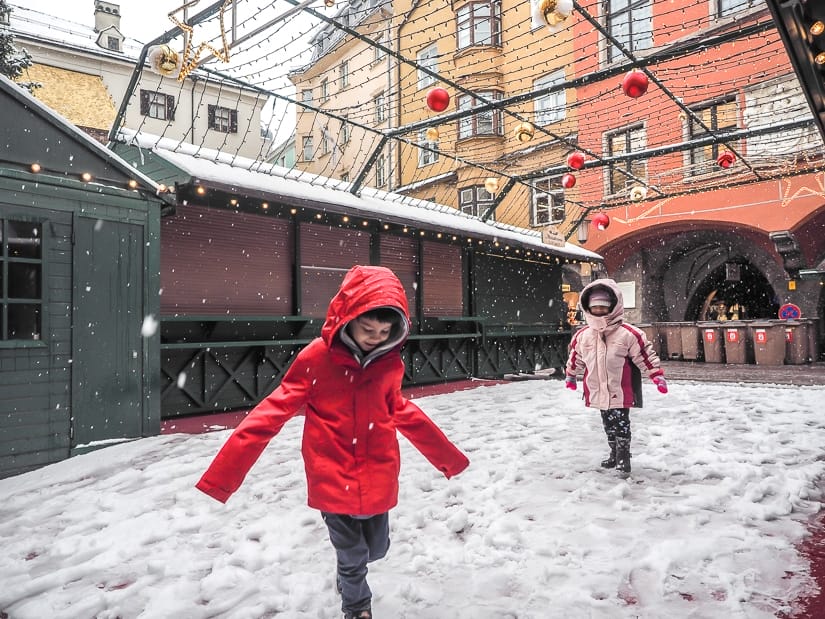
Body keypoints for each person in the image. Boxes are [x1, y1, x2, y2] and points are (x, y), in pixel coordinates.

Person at [195, 265, 470, 619]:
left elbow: (403, 412)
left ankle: (348, 574)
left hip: (378, 471)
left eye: (385, 331)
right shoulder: (315, 359)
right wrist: (223, 476)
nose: (375, 336)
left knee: (377, 549)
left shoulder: (389, 365)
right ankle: (357, 606)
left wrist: (448, 458)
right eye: (367, 328)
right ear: (347, 319)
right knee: (352, 553)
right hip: (331, 472)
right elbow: (271, 413)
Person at [564, 278, 667, 477]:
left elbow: (644, 355)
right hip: (597, 388)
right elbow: (575, 357)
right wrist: (570, 375)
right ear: (588, 308)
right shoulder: (583, 335)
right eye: (595, 307)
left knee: (621, 422)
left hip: (620, 388)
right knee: (607, 423)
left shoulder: (628, 334)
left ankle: (623, 457)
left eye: (604, 307)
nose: (599, 311)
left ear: (613, 306)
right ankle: (613, 452)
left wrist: (656, 375)